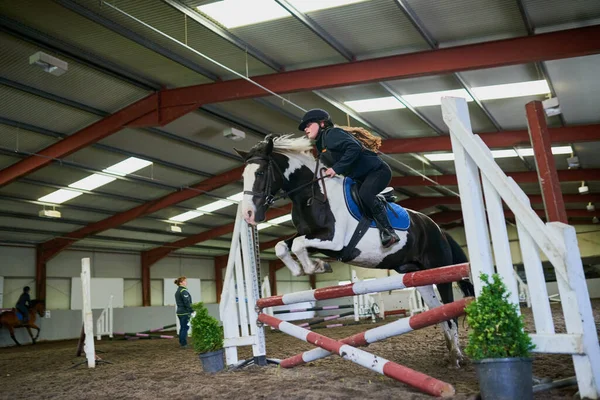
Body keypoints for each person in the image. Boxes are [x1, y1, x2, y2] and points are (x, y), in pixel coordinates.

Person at [298, 108, 400, 248]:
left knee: (365, 193)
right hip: (360, 178)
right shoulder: (321, 144)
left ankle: (389, 231)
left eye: (308, 125)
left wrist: (336, 169)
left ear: (322, 124)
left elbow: (354, 148)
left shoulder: (332, 134)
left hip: (377, 172)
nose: (305, 129)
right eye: (304, 127)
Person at [174, 276, 193, 348]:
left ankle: (182, 342)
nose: (186, 282)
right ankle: (184, 343)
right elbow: (187, 302)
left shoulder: (178, 291)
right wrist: (191, 310)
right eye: (185, 281)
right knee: (185, 327)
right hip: (184, 312)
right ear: (181, 283)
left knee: (182, 327)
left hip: (180, 312)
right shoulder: (183, 291)